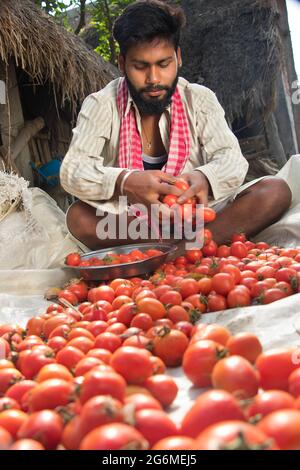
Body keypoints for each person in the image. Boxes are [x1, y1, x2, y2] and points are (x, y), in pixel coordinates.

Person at [60, 0, 291, 252]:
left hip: (199, 216)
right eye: (140, 66)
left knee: (275, 191)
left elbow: (232, 160)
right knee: (79, 218)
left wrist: (203, 177)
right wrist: (126, 182)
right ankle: (192, 245)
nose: (154, 79)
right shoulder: (101, 104)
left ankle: (175, 251)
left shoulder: (199, 98)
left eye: (163, 64)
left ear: (178, 57)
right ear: (122, 62)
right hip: (136, 222)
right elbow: (73, 170)